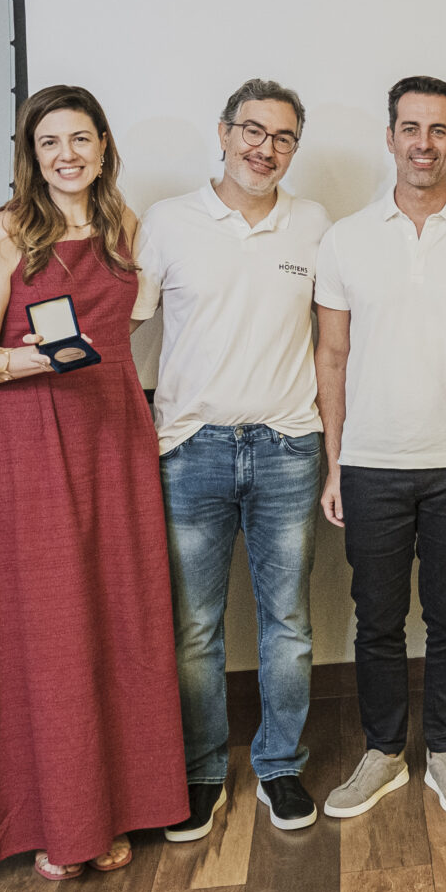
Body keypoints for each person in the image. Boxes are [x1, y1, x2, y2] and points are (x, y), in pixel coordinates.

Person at [0, 85, 185, 880]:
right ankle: (63, 822)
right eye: (49, 142)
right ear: (32, 154)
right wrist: (37, 359)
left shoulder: (125, 226)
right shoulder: (7, 230)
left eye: (79, 138)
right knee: (51, 622)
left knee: (119, 615)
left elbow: (129, 327)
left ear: (103, 144)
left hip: (114, 431)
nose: (66, 155)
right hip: (33, 436)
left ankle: (117, 808)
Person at [313, 76, 446, 820]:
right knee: (375, 618)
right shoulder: (345, 238)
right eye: (410, 128)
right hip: (371, 461)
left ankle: (445, 753)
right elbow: (331, 356)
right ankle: (382, 753)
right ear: (390, 137)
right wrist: (334, 465)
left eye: (438, 130)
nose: (423, 144)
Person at [137, 79, 330, 842]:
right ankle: (202, 771)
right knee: (194, 627)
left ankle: (280, 764)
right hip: (191, 450)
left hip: (288, 446)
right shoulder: (167, 222)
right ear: (223, 132)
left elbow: (337, 340)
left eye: (282, 137)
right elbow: (123, 323)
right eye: (252, 130)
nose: (264, 148)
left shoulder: (314, 225)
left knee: (290, 623)